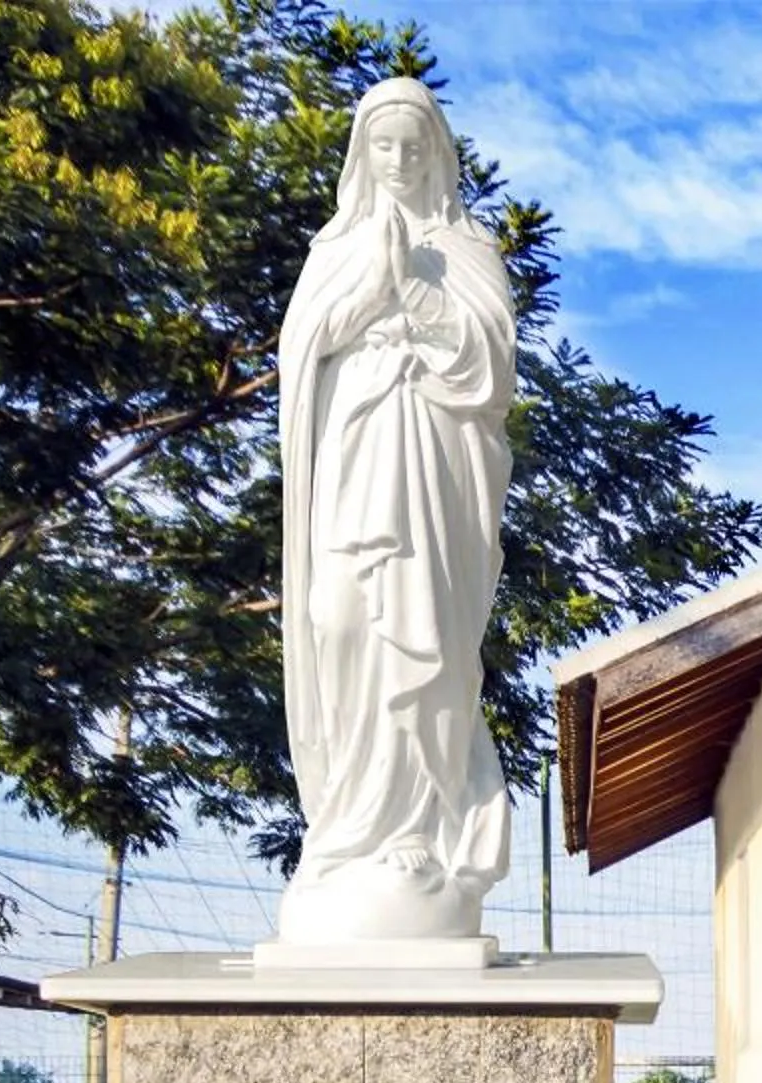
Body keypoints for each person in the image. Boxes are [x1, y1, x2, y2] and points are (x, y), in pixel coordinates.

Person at [272, 78, 514, 945]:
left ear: (436, 154)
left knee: (427, 640)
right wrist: (370, 289)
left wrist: (416, 291)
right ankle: (347, 827)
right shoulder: (335, 248)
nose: (400, 160)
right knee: (340, 621)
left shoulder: (466, 249)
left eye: (414, 146)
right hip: (353, 465)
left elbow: (493, 366)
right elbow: (301, 357)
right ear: (363, 155)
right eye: (384, 146)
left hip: (434, 480)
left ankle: (417, 823)